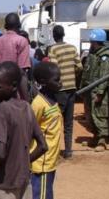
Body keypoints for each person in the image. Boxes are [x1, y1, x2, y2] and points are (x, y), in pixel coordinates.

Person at [0, 61, 47, 199]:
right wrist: (24, 162)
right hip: (23, 181)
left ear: (13, 86)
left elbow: (0, 154)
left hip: (3, 185)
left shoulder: (2, 110)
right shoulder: (27, 108)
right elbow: (43, 146)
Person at [48, 25, 83, 159]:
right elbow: (79, 67)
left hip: (59, 90)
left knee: (56, 120)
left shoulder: (53, 49)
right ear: (63, 34)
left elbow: (54, 69)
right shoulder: (72, 48)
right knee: (68, 122)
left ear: (54, 36)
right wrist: (72, 75)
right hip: (71, 88)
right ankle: (68, 151)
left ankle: (54, 151)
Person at [31, 62, 63, 199]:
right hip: (41, 162)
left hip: (50, 160)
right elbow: (30, 128)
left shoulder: (53, 99)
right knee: (41, 195)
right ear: (43, 82)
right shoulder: (38, 103)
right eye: (56, 80)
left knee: (46, 192)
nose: (60, 83)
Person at [80, 29, 109, 152]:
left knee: (99, 114)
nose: (91, 44)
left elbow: (104, 77)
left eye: (92, 42)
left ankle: (102, 141)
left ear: (97, 42)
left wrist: (100, 93)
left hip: (98, 91)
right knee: (90, 115)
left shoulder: (105, 57)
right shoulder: (92, 54)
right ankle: (95, 137)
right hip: (89, 89)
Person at [0, 13, 31, 101]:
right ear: (19, 25)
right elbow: (22, 72)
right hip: (15, 94)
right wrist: (26, 100)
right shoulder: (22, 41)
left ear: (5, 26)